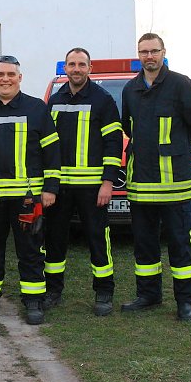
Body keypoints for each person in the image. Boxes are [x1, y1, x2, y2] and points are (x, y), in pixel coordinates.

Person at [0, 55, 61, 325]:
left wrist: (50, 188)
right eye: (1, 74)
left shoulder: (36, 108)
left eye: (10, 74)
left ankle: (33, 301)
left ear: (20, 78)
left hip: (27, 199)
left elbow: (51, 152)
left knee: (29, 250)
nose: (5, 79)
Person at [120, 33, 191, 321]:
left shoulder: (181, 85)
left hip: (175, 186)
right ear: (139, 55)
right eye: (144, 51)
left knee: (180, 244)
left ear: (163, 52)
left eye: (154, 51)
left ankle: (185, 300)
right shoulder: (131, 89)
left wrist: (181, 148)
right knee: (145, 245)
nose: (149, 56)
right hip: (141, 187)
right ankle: (148, 295)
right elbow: (128, 127)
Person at [45, 48, 123, 316]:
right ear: (65, 68)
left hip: (92, 188)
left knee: (97, 240)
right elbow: (45, 145)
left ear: (90, 68)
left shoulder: (103, 101)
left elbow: (113, 143)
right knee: (54, 240)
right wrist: (48, 185)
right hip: (59, 187)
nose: (76, 69)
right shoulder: (54, 101)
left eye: (81, 64)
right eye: (71, 64)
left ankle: (104, 292)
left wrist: (108, 182)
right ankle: (53, 290)